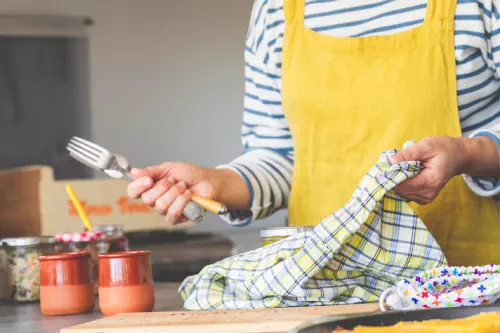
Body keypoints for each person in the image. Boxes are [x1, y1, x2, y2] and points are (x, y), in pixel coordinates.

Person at [128, 0, 500, 266]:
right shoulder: (275, 9)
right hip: (324, 284)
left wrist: (470, 154)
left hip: (467, 281)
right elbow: (281, 156)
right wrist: (216, 183)